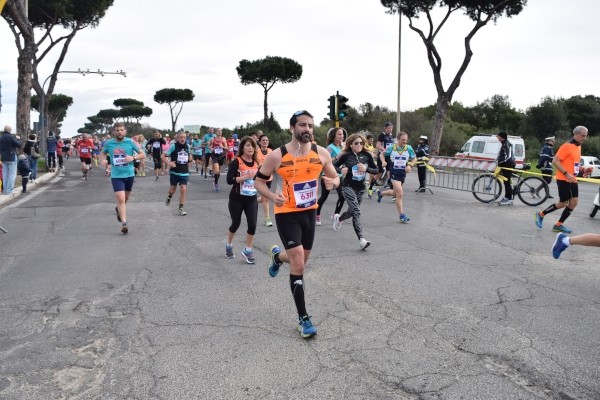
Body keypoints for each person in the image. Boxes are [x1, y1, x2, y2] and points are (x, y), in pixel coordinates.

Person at [254, 110, 340, 339]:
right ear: (292, 128)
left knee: (299, 260)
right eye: (302, 125)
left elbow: (335, 175)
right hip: (286, 213)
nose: (307, 130)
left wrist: (334, 181)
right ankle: (303, 318)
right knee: (299, 265)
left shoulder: (321, 153)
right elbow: (258, 182)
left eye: (310, 126)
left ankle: (277, 257)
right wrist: (272, 197)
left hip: (310, 213)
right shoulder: (276, 156)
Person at [535, 126, 588, 233]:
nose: (585, 138)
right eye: (583, 136)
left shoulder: (578, 147)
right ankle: (540, 214)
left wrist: (583, 170)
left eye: (586, 136)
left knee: (574, 202)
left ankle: (558, 225)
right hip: (563, 178)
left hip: (572, 179)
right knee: (563, 203)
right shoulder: (566, 146)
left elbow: (574, 164)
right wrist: (566, 173)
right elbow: (555, 161)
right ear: (576, 134)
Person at [332, 133, 378, 250]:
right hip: (347, 186)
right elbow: (333, 166)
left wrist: (366, 169)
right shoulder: (346, 155)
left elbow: (377, 169)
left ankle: (339, 218)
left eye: (361, 143)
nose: (359, 145)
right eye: (356, 143)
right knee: (356, 210)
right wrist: (341, 169)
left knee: (352, 211)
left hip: (360, 188)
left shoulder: (367, 155)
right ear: (351, 145)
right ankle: (362, 239)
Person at [100, 122, 144, 234]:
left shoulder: (130, 142)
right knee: (121, 199)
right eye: (117, 130)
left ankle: (118, 209)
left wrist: (133, 157)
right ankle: (124, 223)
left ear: (125, 131)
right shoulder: (109, 143)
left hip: (129, 174)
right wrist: (103, 160)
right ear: (114, 132)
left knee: (126, 198)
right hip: (116, 175)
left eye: (121, 130)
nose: (119, 132)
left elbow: (142, 154)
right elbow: (102, 153)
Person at [225, 136, 260, 263]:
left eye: (253, 145)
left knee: (253, 224)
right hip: (236, 198)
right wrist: (244, 177)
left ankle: (248, 250)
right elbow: (229, 180)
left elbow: (260, 181)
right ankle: (229, 245)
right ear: (243, 148)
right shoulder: (237, 161)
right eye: (248, 145)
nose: (251, 148)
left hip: (251, 198)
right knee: (236, 223)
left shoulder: (257, 163)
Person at [376, 131, 416, 223]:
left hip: (403, 173)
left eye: (406, 139)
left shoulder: (408, 148)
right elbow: (382, 154)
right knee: (400, 193)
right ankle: (402, 215)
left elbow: (414, 158)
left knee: (395, 192)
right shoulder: (392, 148)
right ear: (398, 139)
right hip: (393, 172)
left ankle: (381, 194)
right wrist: (383, 162)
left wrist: (410, 165)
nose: (405, 141)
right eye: (403, 139)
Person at [316, 127, 346, 225]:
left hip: (339, 175)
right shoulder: (330, 147)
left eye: (342, 134)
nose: (341, 136)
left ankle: (336, 215)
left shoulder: (342, 147)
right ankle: (317, 215)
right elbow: (324, 161)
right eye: (339, 134)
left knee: (342, 197)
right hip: (328, 175)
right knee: (324, 197)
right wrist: (337, 157)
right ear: (334, 136)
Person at [163, 130, 191, 216]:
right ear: (177, 138)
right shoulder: (173, 146)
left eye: (184, 137)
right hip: (175, 172)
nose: (183, 139)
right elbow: (163, 156)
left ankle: (181, 208)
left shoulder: (188, 146)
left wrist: (191, 159)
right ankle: (169, 196)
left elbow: (189, 156)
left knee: (183, 189)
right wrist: (169, 163)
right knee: (172, 190)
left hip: (184, 172)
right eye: (181, 137)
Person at [256, 134, 274, 227]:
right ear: (259, 142)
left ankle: (253, 201)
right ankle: (267, 219)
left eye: (267, 140)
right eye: (263, 140)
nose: (265, 142)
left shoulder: (271, 151)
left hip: (269, 178)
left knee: (264, 198)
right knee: (266, 198)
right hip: (259, 178)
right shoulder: (256, 151)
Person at [496, 131, 516, 205]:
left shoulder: (506, 144)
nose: (497, 138)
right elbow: (502, 154)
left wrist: (501, 162)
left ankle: (509, 198)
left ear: (501, 137)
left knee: (507, 182)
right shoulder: (504, 143)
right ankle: (506, 197)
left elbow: (508, 156)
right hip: (506, 165)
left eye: (498, 136)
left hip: (508, 165)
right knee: (505, 182)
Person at [0, 125, 22, 195]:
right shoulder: (11, 137)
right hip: (11, 157)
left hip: (3, 157)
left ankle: (5, 190)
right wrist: (18, 139)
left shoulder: (1, 137)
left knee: (5, 174)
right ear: (9, 130)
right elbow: (18, 145)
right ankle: (9, 190)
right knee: (12, 174)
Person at [208, 128, 227, 192]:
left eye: (221, 131)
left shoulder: (223, 139)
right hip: (214, 156)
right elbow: (208, 145)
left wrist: (222, 147)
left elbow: (227, 148)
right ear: (215, 132)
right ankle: (216, 184)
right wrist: (211, 148)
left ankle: (215, 181)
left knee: (219, 171)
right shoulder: (212, 139)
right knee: (216, 169)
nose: (220, 132)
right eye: (218, 131)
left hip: (221, 156)